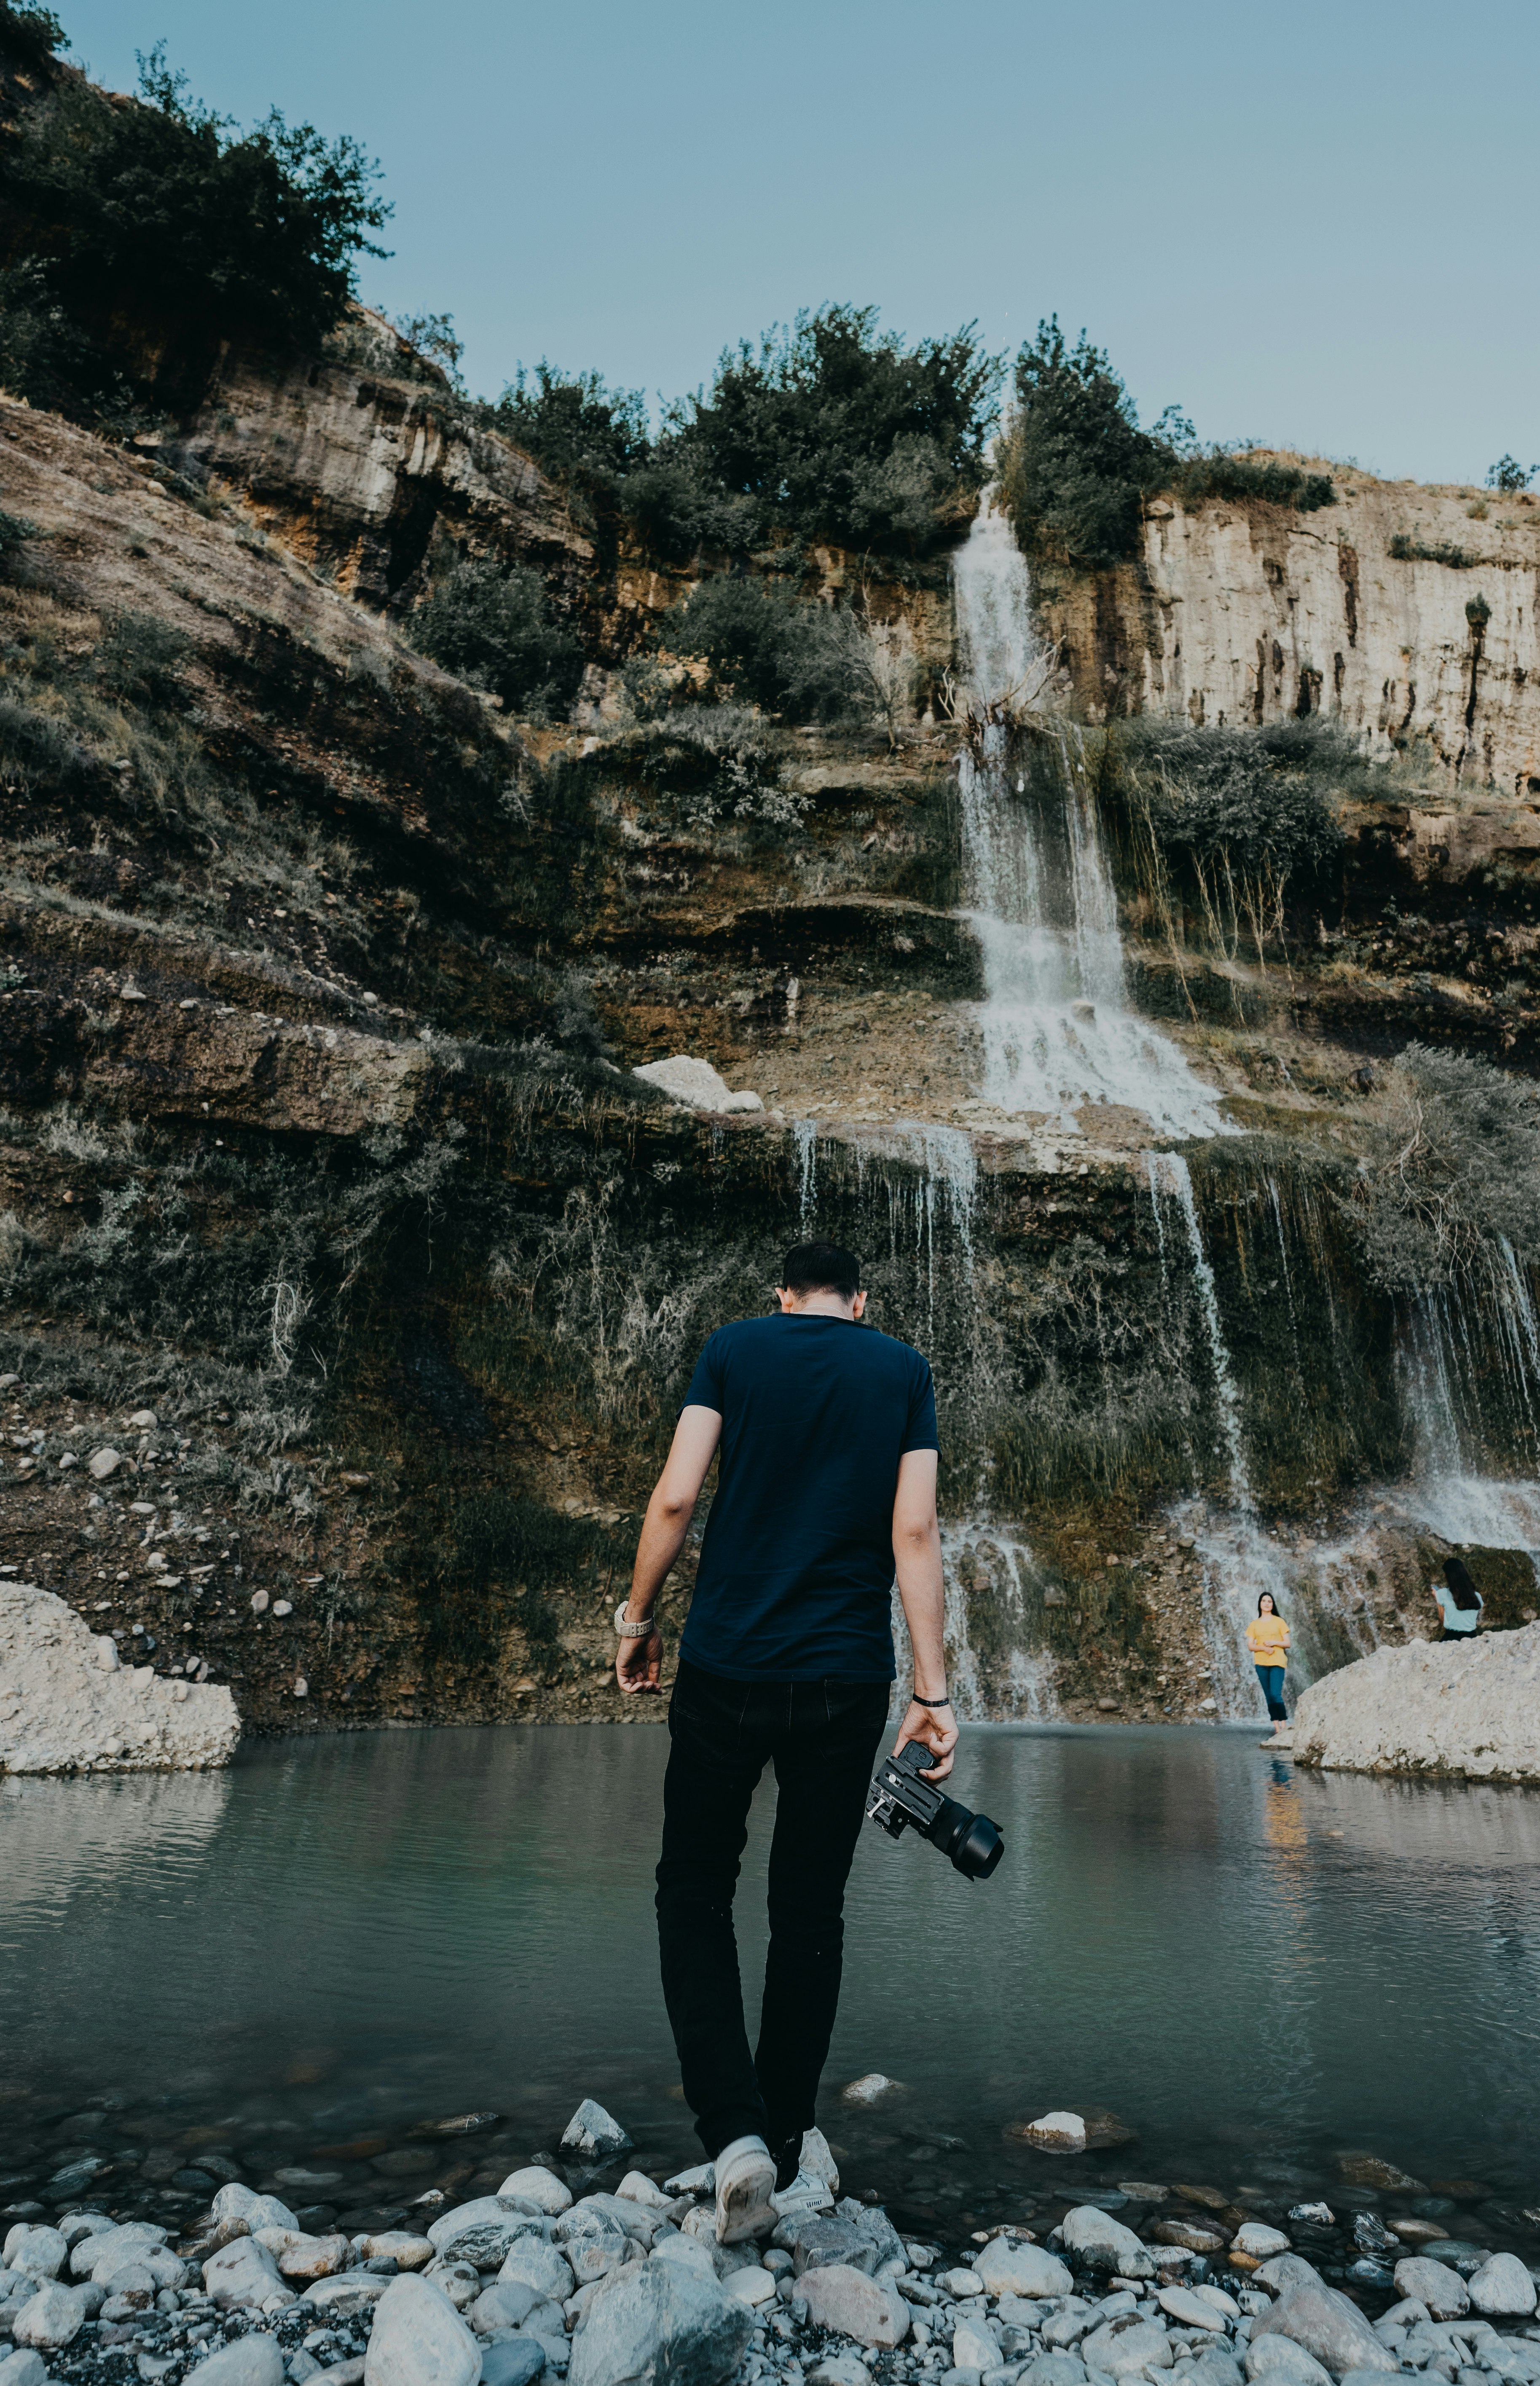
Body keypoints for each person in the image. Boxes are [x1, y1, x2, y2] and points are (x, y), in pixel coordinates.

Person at [613, 1237, 954, 2246]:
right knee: (808, 1908)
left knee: (694, 1889)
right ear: (862, 1300)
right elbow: (916, 1533)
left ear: (782, 1295)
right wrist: (933, 1689)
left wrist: (637, 1618)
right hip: (847, 1675)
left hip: (725, 1664)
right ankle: (794, 2134)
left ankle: (735, 2137)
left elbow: (676, 1494)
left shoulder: (732, 1347)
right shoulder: (900, 1366)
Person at [1246, 1592, 1290, 1739]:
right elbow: (1251, 1646)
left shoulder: (1280, 1622)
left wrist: (1274, 1643)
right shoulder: (1254, 1625)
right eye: (1264, 1601)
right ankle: (1276, 1726)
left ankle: (1284, 1724)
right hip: (1261, 1663)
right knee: (1268, 1696)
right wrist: (1264, 1648)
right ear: (1260, 1604)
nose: (1267, 1603)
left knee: (1275, 1694)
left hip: (1278, 1661)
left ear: (1273, 1605)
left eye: (1270, 1601)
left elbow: (1288, 1643)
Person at [1432, 1555, 1484, 1639]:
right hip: (1472, 1637)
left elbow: (1442, 1617)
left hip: (1451, 1637)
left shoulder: (1443, 1594)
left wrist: (1436, 1594)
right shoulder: (1477, 1596)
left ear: (1449, 1577)